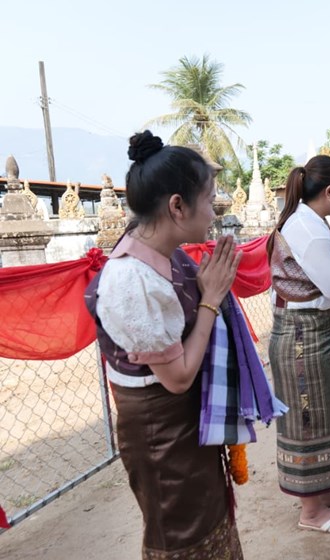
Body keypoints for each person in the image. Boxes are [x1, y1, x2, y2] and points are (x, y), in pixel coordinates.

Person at [85, 131, 245, 556]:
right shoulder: (130, 281)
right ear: (177, 206)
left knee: (211, 521)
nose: (214, 209)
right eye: (209, 198)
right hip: (163, 432)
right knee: (183, 536)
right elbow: (177, 378)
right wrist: (211, 299)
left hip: (185, 422)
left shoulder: (165, 251)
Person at [268, 155, 330, 534]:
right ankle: (311, 511)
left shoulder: (312, 222)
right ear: (329, 192)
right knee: (309, 421)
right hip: (302, 338)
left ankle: (327, 491)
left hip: (316, 332)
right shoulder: (308, 229)